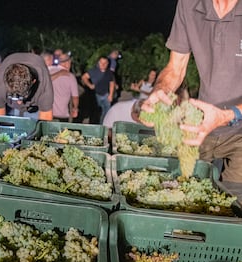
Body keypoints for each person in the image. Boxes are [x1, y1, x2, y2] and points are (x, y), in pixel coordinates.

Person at [140, 0, 242, 185]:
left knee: (233, 204)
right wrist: (160, 91)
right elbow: (175, 68)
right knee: (186, 195)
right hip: (202, 125)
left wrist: (229, 115)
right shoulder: (189, 4)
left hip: (239, 129)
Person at [0, 52, 53, 120]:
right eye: (14, 96)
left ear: (33, 82)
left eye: (24, 95)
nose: (19, 102)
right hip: (9, 60)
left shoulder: (44, 86)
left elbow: (45, 121)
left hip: (34, 105)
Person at [81, 56, 115, 124]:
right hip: (95, 95)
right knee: (96, 112)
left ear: (108, 63)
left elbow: (112, 83)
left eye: (105, 63)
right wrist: (90, 85)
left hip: (106, 95)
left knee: (107, 112)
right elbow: (84, 77)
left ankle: (103, 125)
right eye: (101, 62)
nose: (103, 64)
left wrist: (111, 94)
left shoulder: (109, 73)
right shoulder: (93, 71)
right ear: (98, 63)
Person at [49, 52, 79, 122]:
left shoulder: (48, 71)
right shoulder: (70, 76)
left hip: (47, 113)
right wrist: (75, 108)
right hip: (62, 114)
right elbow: (75, 97)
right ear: (68, 63)